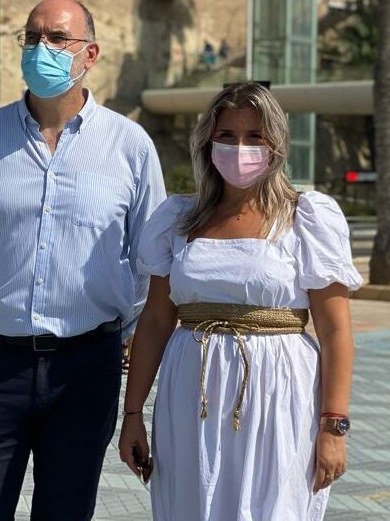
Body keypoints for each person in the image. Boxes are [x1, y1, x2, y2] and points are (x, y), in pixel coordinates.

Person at [0, 0, 166, 520]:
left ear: (90, 54)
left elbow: (150, 258)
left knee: (65, 511)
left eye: (58, 39)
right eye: (32, 38)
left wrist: (117, 322)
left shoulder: (131, 146)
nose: (42, 49)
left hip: (86, 369)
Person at [118, 82, 361, 521]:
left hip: (279, 396)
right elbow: (155, 320)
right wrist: (132, 413)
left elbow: (336, 330)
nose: (239, 148)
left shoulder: (305, 217)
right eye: (227, 136)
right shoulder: (177, 218)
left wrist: (333, 426)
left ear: (276, 145)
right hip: (189, 394)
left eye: (254, 137)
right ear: (208, 142)